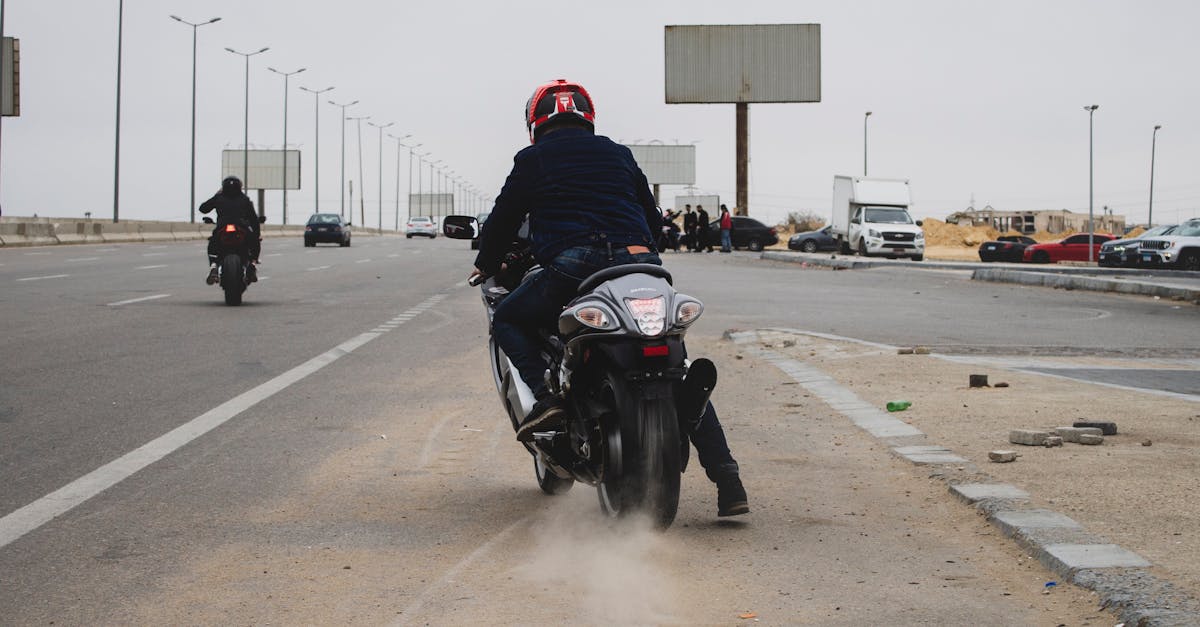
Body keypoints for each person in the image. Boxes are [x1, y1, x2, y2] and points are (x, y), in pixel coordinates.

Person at [471, 79, 748, 516]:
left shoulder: (532, 159)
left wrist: (486, 263)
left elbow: (504, 218)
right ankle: (728, 478)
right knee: (677, 365)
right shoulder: (618, 153)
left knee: (509, 318)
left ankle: (547, 404)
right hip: (641, 264)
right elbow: (651, 216)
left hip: (574, 265)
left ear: (535, 122)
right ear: (588, 116)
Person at [199, 176, 261, 284]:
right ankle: (252, 265)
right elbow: (254, 219)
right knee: (254, 241)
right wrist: (257, 234)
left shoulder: (219, 198)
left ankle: (213, 266)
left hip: (222, 228)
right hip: (241, 228)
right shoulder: (244, 199)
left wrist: (216, 196)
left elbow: (203, 209)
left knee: (213, 243)